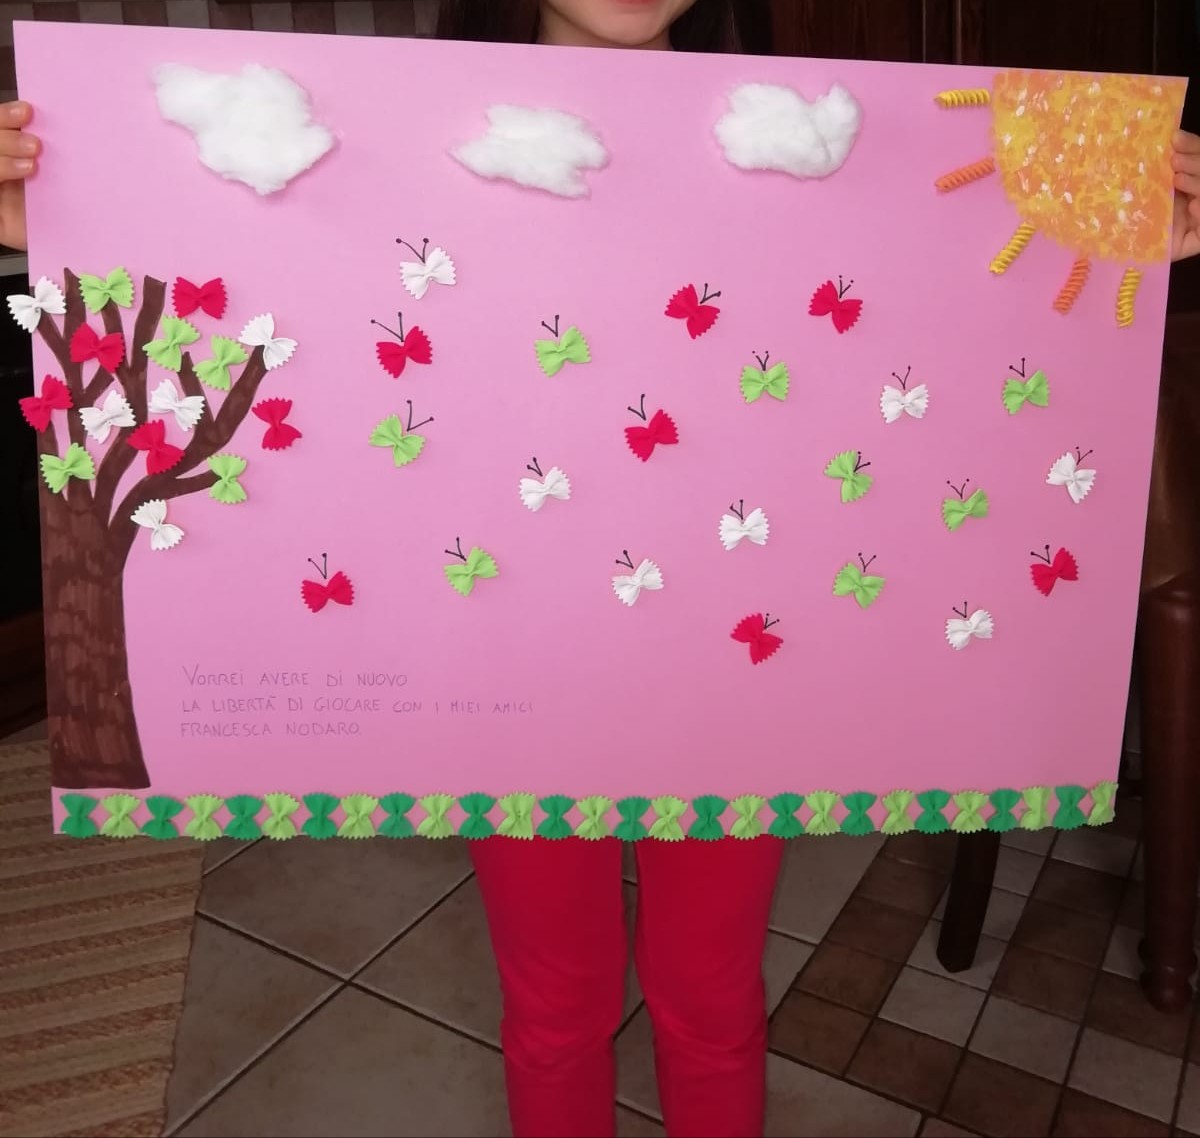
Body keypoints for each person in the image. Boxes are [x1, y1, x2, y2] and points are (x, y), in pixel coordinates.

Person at [3, 3, 1200, 1135]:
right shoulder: (391, 134)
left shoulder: (831, 141)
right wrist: (62, 204)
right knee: (557, 1002)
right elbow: (264, 276)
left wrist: (1136, 223)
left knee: (711, 997)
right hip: (521, 665)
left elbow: (961, 309)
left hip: (729, 664)